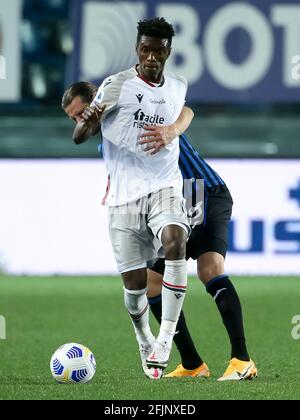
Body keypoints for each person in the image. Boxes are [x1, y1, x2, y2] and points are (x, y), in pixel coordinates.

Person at [62, 81, 257, 381]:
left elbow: (186, 110)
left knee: (209, 269)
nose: (81, 122)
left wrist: (172, 130)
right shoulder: (107, 143)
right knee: (153, 284)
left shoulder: (135, 109)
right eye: (74, 119)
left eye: (82, 113)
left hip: (199, 190)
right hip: (168, 203)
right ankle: (193, 364)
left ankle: (241, 360)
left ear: (98, 102)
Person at [69, 17, 192, 380]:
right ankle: (144, 337)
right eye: (145, 49)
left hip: (165, 185)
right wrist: (88, 119)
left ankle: (166, 337)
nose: (151, 56)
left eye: (159, 50)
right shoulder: (117, 85)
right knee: (135, 287)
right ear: (137, 49)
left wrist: (173, 130)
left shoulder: (178, 85)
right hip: (124, 197)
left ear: (168, 51)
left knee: (176, 240)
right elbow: (81, 134)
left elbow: (186, 109)